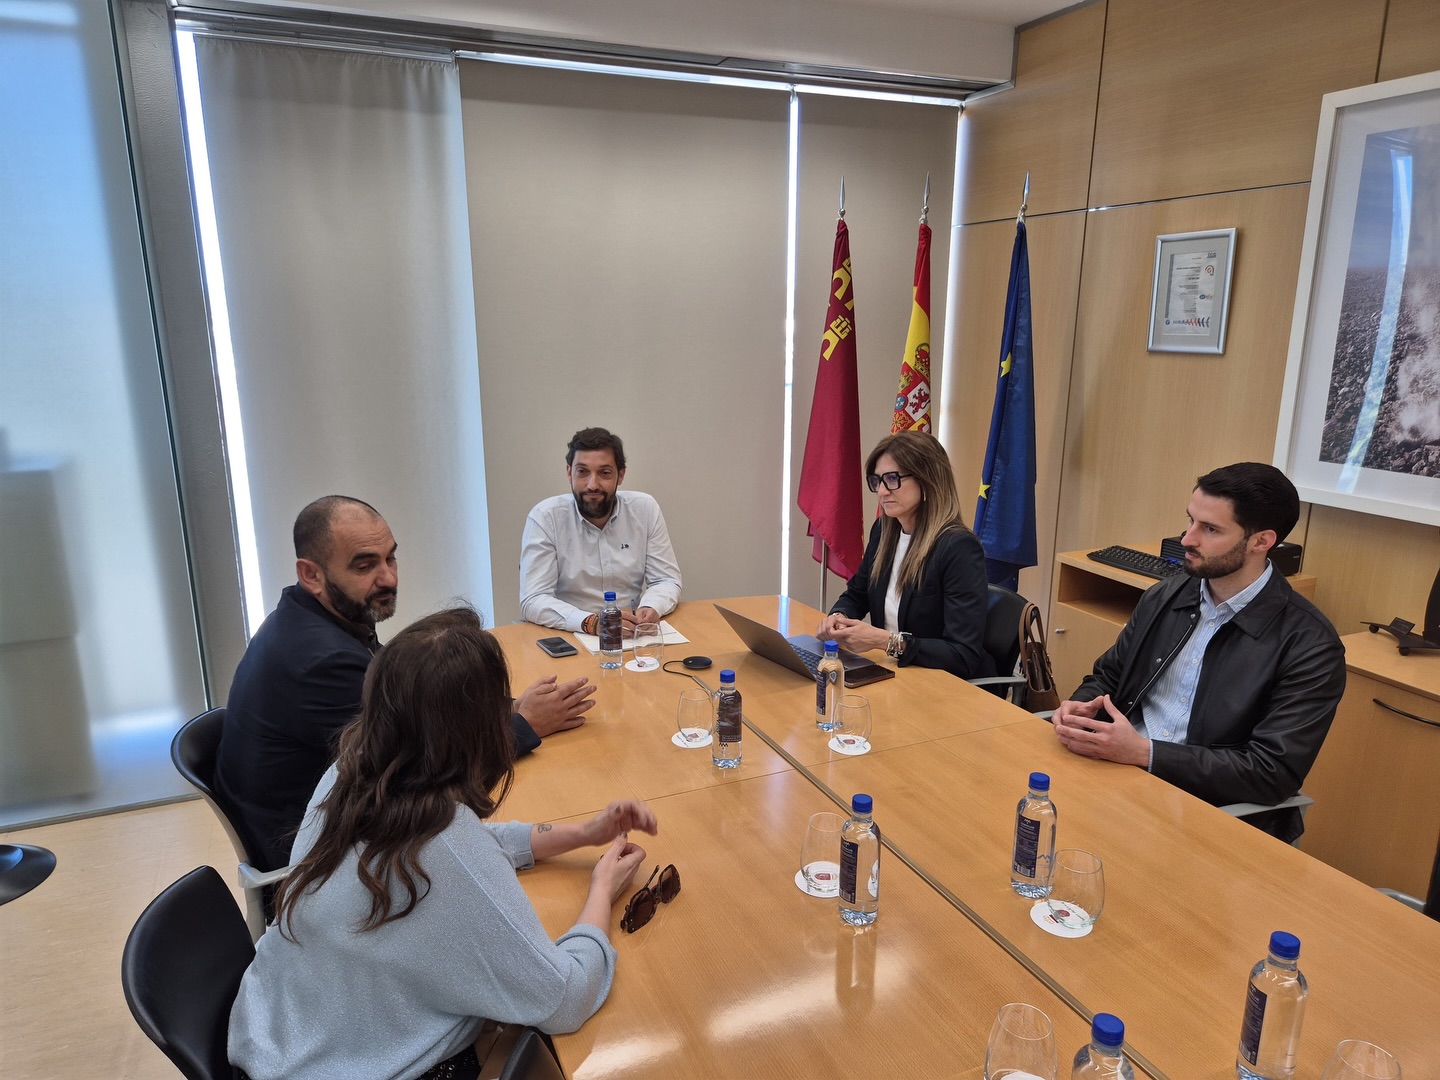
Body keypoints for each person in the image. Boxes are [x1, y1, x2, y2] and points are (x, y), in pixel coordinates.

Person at [228, 605, 655, 1080]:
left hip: (276, 1033)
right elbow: (565, 998)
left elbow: (470, 845)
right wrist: (602, 891)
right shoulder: (443, 846)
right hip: (344, 1064)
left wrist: (582, 835)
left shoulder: (350, 772)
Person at [215, 496, 595, 872]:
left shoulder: (318, 617)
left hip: (335, 819)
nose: (389, 578)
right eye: (365, 565)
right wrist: (524, 725)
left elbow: (413, 702)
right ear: (311, 575)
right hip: (322, 861)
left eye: (390, 558)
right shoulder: (322, 663)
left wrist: (505, 708)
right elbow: (421, 772)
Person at [1051, 462, 1346, 843]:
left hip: (1205, 811)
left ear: (1261, 542)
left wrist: (1145, 753)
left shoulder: (1310, 645)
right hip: (1118, 774)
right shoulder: (1166, 595)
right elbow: (1109, 675)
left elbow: (1270, 772)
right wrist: (1080, 707)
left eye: (1210, 529)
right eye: (1190, 521)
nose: (1187, 540)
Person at [817, 431, 994, 680]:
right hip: (892, 671)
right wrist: (839, 616)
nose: (882, 491)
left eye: (892, 479)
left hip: (940, 683)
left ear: (927, 481)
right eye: (877, 481)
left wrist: (886, 641)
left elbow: (962, 655)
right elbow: (857, 594)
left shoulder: (958, 547)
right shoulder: (883, 531)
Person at [520, 427, 682, 635]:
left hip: (632, 631)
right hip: (570, 632)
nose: (592, 485)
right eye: (582, 472)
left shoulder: (644, 509)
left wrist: (652, 606)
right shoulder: (546, 516)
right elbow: (533, 598)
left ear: (620, 475)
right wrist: (591, 622)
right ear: (569, 473)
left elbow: (666, 579)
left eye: (604, 473)